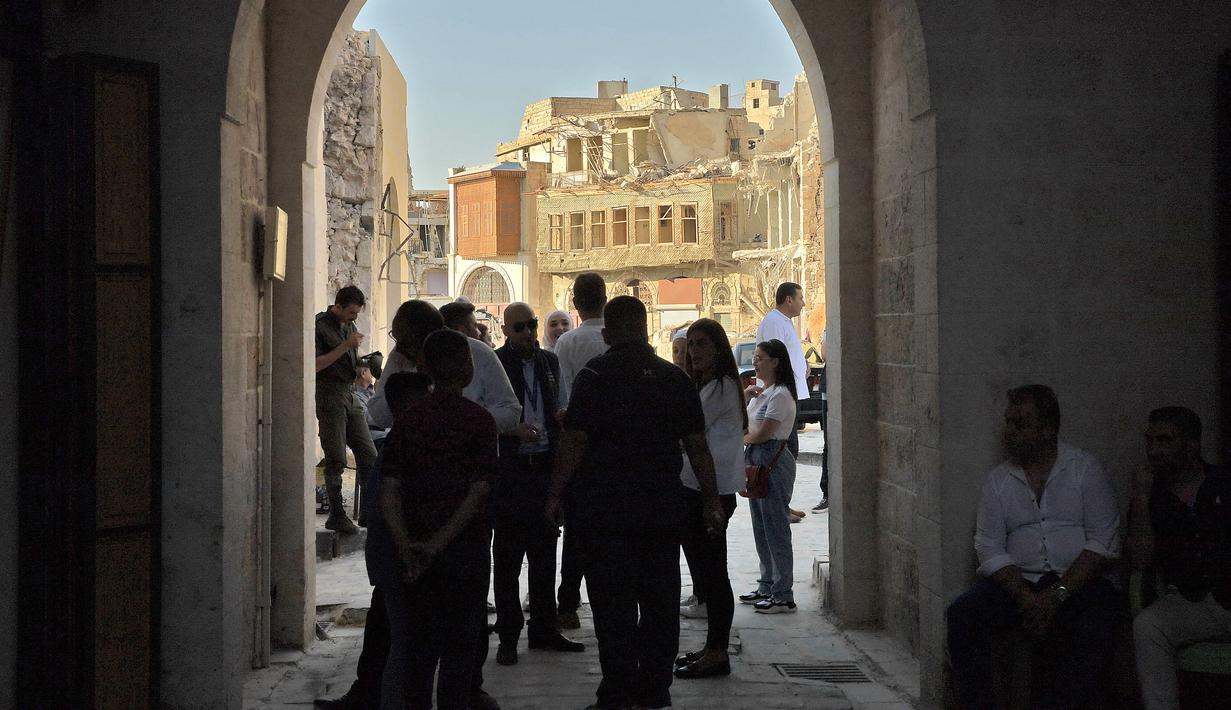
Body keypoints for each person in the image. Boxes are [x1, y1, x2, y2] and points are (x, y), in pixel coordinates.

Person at [545, 295, 725, 710]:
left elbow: (574, 441)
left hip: (605, 508)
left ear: (608, 335)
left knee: (612, 606)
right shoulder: (673, 379)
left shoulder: (594, 377)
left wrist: (555, 494)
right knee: (660, 600)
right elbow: (697, 448)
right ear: (646, 330)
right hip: (661, 506)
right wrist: (711, 500)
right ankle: (656, 688)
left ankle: (619, 690)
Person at [946, 384, 1121, 710]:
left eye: (1020, 425)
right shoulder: (999, 481)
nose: (1009, 432)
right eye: (1008, 422)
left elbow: (1102, 542)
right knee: (963, 613)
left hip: (1077, 584)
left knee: (1101, 614)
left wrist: (1056, 596)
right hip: (1019, 585)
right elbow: (988, 546)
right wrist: (1028, 599)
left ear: (1047, 430)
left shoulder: (1084, 470)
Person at [315, 301, 444, 710]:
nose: (395, 342)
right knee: (394, 621)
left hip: (425, 531)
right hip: (420, 534)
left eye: (398, 334)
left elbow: (388, 484)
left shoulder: (420, 412)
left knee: (409, 629)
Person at [380, 329, 497, 710]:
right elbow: (477, 492)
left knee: (420, 651)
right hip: (464, 552)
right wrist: (439, 543)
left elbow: (390, 489)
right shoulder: (479, 421)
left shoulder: (409, 420)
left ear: (424, 367)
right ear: (467, 369)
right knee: (460, 655)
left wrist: (407, 546)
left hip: (416, 552)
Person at [491, 303, 585, 666]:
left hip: (543, 466)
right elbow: (487, 412)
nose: (527, 332)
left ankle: (544, 628)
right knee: (509, 557)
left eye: (531, 325)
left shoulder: (549, 363)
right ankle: (509, 633)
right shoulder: (496, 363)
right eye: (520, 327)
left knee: (545, 553)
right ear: (505, 330)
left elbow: (559, 401)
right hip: (512, 470)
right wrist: (511, 430)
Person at [1127, 406, 1231, 710]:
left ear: (1191, 445)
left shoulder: (1223, 482)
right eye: (1150, 441)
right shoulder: (1153, 496)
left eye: (1164, 441)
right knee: (1148, 626)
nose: (1154, 450)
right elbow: (1142, 561)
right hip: (1192, 600)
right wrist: (1142, 499)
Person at [673, 319, 747, 679]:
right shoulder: (707, 385)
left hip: (710, 492)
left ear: (718, 348)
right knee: (705, 574)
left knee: (714, 574)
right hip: (698, 488)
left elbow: (689, 428)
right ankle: (712, 647)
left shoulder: (720, 387)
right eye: (692, 345)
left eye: (702, 344)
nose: (695, 351)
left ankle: (718, 652)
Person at [550, 272, 609, 629]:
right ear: (605, 298)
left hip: (577, 441)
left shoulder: (568, 343)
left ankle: (568, 603)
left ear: (576, 304)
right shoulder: (613, 339)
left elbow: (561, 394)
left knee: (577, 530)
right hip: (616, 445)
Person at [739, 339, 800, 614]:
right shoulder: (764, 393)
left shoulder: (781, 395)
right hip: (756, 459)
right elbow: (745, 423)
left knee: (775, 526)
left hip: (772, 458)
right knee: (761, 525)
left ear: (775, 362)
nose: (755, 361)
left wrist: (743, 439)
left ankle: (783, 593)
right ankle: (767, 584)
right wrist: (747, 397)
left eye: (761, 357)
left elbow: (764, 432)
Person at [315, 285, 378, 535]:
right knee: (336, 457)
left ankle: (368, 511)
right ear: (338, 306)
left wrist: (365, 361)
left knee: (369, 454)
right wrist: (345, 346)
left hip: (350, 394)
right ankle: (336, 515)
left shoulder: (348, 325)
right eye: (351, 312)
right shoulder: (319, 326)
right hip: (329, 394)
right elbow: (314, 364)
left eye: (357, 313)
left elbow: (346, 359)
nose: (355, 317)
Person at [755, 283, 812, 518]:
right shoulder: (773, 322)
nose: (803, 303)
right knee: (783, 451)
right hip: (780, 396)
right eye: (800, 298)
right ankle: (779, 505)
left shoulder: (784, 321)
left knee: (787, 452)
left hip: (789, 393)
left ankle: (783, 503)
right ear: (788, 300)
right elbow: (772, 358)